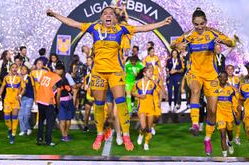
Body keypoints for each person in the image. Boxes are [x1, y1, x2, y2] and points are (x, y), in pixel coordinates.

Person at [47, 6, 172, 151]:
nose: (108, 15)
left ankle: (125, 135)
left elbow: (143, 28)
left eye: (111, 13)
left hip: (115, 72)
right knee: (99, 104)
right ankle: (99, 134)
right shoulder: (93, 28)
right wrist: (55, 14)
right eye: (105, 13)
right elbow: (72, 23)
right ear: (101, 17)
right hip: (98, 73)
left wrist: (162, 23)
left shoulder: (121, 29)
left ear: (114, 18)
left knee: (121, 102)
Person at [171, 7, 237, 155]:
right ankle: (195, 124)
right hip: (195, 73)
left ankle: (207, 139)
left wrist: (225, 41)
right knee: (195, 90)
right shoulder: (189, 35)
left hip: (212, 76)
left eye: (201, 24)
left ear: (206, 22)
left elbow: (231, 43)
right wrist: (177, 45)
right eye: (196, 24)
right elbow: (173, 44)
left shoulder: (213, 32)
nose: (199, 27)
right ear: (193, 23)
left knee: (212, 111)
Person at [0, 64, 25, 144]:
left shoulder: (20, 78)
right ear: (10, 69)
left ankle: (13, 135)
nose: (14, 69)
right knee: (6, 118)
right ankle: (9, 128)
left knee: (14, 118)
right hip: (7, 100)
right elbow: (2, 87)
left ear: (17, 69)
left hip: (16, 101)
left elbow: (24, 88)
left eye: (16, 67)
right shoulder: (6, 77)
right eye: (13, 67)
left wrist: (20, 95)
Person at [35, 64, 62, 146]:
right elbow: (58, 93)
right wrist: (57, 105)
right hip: (48, 101)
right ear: (60, 70)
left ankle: (39, 139)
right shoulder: (57, 78)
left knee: (41, 121)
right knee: (50, 122)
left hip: (40, 99)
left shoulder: (45, 75)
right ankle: (48, 140)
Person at [132, 66, 157, 150]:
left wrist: (159, 102)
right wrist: (139, 95)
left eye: (151, 72)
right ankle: (141, 134)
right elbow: (132, 92)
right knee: (143, 127)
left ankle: (146, 143)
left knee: (149, 128)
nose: (151, 73)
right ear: (144, 73)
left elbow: (160, 92)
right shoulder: (138, 83)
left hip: (151, 108)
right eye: (149, 72)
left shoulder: (153, 83)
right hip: (141, 107)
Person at [216, 71, 236, 157]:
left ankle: (230, 143)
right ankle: (224, 156)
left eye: (225, 77)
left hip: (229, 115)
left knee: (230, 133)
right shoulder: (215, 90)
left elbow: (235, 103)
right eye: (221, 77)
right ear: (219, 78)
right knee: (222, 134)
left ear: (227, 79)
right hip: (220, 115)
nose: (223, 79)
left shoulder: (231, 90)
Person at [55, 64, 75, 142]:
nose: (57, 71)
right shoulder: (67, 75)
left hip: (61, 99)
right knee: (67, 118)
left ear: (61, 70)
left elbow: (56, 90)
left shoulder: (55, 77)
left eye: (58, 69)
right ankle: (65, 135)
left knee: (63, 119)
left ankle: (64, 135)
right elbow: (73, 86)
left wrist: (57, 103)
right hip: (68, 99)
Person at [225, 65, 242, 145]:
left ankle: (237, 137)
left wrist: (240, 102)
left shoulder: (237, 79)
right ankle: (228, 137)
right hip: (227, 103)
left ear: (233, 70)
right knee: (229, 121)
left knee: (238, 121)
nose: (230, 71)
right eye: (228, 69)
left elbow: (240, 90)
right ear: (226, 70)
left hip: (236, 102)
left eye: (231, 69)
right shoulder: (223, 79)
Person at [18, 66, 34, 136]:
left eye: (24, 69)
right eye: (21, 69)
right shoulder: (19, 78)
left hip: (29, 97)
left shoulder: (30, 78)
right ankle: (23, 130)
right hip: (22, 98)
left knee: (26, 114)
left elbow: (32, 87)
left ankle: (28, 128)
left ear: (27, 70)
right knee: (20, 115)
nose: (22, 70)